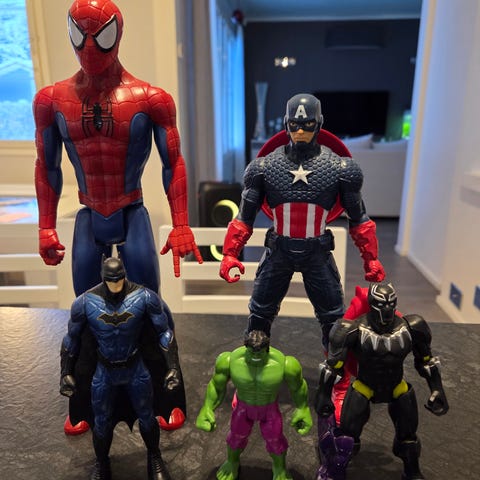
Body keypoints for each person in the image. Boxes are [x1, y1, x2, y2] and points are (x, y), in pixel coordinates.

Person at [33, 0, 202, 432]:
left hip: (131, 209)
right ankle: (84, 407)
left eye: (101, 35)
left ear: (117, 34)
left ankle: (164, 397)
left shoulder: (150, 98)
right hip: (89, 212)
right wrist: (45, 225)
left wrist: (182, 223)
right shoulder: (52, 100)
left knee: (151, 306)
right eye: (80, 35)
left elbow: (173, 162)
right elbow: (47, 165)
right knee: (85, 311)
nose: (90, 47)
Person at [219, 93, 385, 348]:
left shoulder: (341, 169)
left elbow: (358, 218)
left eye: (307, 124)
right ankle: (255, 363)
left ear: (319, 123)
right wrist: (230, 253)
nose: (300, 131)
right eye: (294, 125)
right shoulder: (263, 168)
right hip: (278, 251)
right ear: (286, 123)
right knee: (259, 315)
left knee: (333, 319)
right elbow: (244, 217)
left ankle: (335, 364)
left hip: (317, 253)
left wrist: (371, 258)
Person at [60, 256, 181, 480]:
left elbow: (164, 332)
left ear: (125, 275)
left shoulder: (144, 297)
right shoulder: (85, 302)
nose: (115, 285)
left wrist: (172, 366)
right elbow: (71, 339)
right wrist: (65, 372)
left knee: (147, 416)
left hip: (135, 368)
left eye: (119, 280)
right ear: (103, 278)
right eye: (111, 281)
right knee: (101, 421)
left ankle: (154, 456)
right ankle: (101, 462)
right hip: (104, 371)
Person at [314, 283, 449, 480]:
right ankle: (335, 470)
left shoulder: (412, 327)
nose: (386, 309)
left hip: (396, 386)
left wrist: (437, 389)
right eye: (381, 304)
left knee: (408, 436)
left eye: (390, 304)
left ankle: (412, 471)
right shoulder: (351, 330)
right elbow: (333, 367)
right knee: (347, 436)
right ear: (371, 304)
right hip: (365, 387)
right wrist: (324, 395)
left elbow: (426, 361)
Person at [196, 330, 313, 480]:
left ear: (267, 349)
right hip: (243, 407)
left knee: (275, 439)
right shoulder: (229, 360)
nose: (255, 356)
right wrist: (207, 407)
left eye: (260, 353)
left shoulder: (286, 364)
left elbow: (298, 387)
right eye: (252, 352)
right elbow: (216, 386)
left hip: (269, 409)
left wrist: (303, 408)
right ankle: (232, 462)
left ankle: (279, 468)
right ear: (246, 347)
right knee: (236, 435)